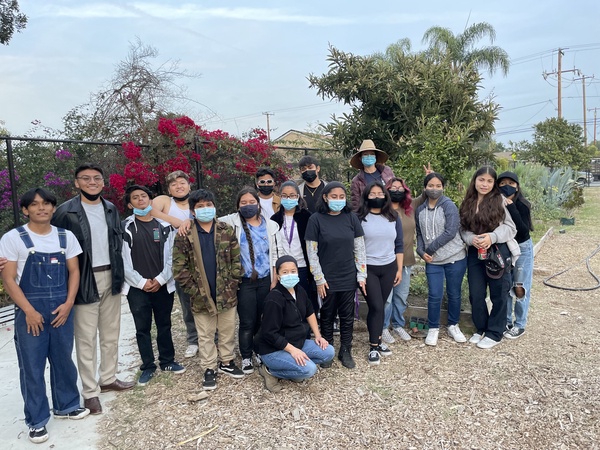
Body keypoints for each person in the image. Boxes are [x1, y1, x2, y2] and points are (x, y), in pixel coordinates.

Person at [0, 188, 89, 444]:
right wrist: (28, 311)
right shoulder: (13, 238)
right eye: (35, 205)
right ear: (26, 209)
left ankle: (68, 405)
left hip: (61, 307)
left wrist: (69, 303)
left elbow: (74, 272)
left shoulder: (65, 237)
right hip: (29, 310)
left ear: (53, 208)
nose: (42, 208)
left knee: (63, 358)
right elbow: (9, 279)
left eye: (47, 204)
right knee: (32, 366)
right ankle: (37, 421)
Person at [52, 163, 133, 416]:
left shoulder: (110, 209)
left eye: (97, 178)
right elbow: (54, 245)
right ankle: (90, 392)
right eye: (85, 178)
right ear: (76, 183)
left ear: (103, 182)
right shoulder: (66, 212)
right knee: (86, 339)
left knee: (111, 333)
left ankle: (108, 378)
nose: (92, 182)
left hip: (112, 275)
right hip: (84, 278)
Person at [172, 189, 245, 391]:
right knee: (205, 334)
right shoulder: (184, 234)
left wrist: (232, 285)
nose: (206, 209)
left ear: (214, 207)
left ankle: (227, 362)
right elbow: (179, 269)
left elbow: (236, 262)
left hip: (226, 293)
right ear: (193, 211)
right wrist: (195, 292)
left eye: (209, 205)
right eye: (200, 206)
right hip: (200, 296)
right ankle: (209, 368)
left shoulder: (226, 230)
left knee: (228, 329)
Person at [122, 185, 185, 387]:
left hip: (162, 285)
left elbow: (172, 258)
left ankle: (167, 361)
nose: (141, 200)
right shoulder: (126, 227)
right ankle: (148, 366)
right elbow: (124, 261)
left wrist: (159, 279)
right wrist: (141, 282)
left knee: (164, 325)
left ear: (150, 201)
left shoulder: (164, 226)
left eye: (144, 197)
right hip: (137, 289)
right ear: (130, 204)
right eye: (135, 198)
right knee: (143, 329)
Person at [305, 181, 367, 369]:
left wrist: (361, 275)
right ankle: (328, 348)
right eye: (334, 197)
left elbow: (360, 248)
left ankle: (346, 349)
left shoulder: (351, 218)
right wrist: (319, 278)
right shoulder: (315, 219)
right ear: (325, 197)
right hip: (326, 279)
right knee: (327, 314)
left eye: (341, 197)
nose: (338, 200)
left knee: (347, 316)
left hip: (348, 276)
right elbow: (311, 252)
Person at [219, 187, 278, 374]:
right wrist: (188, 221)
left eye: (252, 202)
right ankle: (245, 357)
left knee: (262, 319)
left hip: (265, 279)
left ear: (258, 204)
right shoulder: (231, 222)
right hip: (244, 282)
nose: (248, 206)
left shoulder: (269, 225)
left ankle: (259, 350)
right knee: (246, 321)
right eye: (243, 203)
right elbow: (208, 221)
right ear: (237, 206)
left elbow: (275, 253)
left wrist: (275, 276)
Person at [459, 166, 519, 349]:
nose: (484, 184)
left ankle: (495, 332)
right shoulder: (468, 201)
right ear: (475, 180)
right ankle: (481, 328)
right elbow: (462, 228)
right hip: (475, 253)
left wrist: (492, 237)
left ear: (494, 184)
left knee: (498, 293)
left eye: (489, 181)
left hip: (497, 251)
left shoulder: (499, 201)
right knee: (476, 294)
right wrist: (471, 239)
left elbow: (511, 227)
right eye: (481, 180)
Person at [256, 255, 334, 392]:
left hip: (296, 342)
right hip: (273, 350)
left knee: (328, 352)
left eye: (293, 271)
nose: (290, 275)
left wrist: (318, 336)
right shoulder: (274, 299)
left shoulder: (299, 290)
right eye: (285, 272)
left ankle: (292, 367)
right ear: (278, 276)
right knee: (309, 370)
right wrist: (293, 351)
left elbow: (310, 312)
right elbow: (269, 333)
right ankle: (269, 371)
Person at [150, 171, 199, 359]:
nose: (179, 186)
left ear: (189, 184)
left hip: (199, 256)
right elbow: (149, 209)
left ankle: (212, 338)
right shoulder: (165, 201)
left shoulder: (196, 201)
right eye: (174, 184)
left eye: (182, 182)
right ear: (168, 188)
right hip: (176, 259)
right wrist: (179, 222)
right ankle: (193, 339)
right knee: (186, 301)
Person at [415, 173, 468, 346]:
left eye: (438, 186)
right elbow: (420, 234)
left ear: (443, 187)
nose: (434, 189)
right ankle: (433, 328)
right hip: (433, 261)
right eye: (431, 185)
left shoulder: (449, 206)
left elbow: (450, 231)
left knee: (454, 293)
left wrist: (429, 249)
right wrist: (421, 251)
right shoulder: (420, 210)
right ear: (425, 188)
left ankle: (453, 325)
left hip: (455, 257)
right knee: (435, 294)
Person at [357, 182, 403, 364]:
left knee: (381, 305)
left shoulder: (393, 216)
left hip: (389, 267)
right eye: (372, 193)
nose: (377, 196)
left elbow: (399, 244)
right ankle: (373, 347)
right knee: (376, 306)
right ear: (366, 196)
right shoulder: (359, 217)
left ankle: (377, 340)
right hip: (369, 269)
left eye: (380, 193)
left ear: (385, 196)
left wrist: (399, 269)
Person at [271, 181, 317, 316]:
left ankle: (306, 332)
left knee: (304, 303)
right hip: (283, 268)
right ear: (280, 197)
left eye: (292, 195)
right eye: (284, 196)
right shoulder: (274, 219)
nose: (288, 199)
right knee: (284, 305)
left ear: (298, 196)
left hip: (302, 267)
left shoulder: (307, 217)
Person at [498, 171, 534, 339]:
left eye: (511, 184)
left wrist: (511, 206)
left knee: (519, 286)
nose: (507, 186)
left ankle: (520, 323)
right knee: (505, 285)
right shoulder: (496, 203)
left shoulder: (522, 204)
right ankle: (506, 321)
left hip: (522, 247)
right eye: (503, 183)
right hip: (505, 247)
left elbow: (522, 230)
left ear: (517, 186)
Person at [382, 177, 417, 343]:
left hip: (407, 261)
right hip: (387, 262)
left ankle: (397, 325)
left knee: (401, 296)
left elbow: (428, 194)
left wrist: (429, 176)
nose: (397, 190)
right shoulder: (381, 210)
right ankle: (383, 327)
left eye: (400, 188)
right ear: (387, 190)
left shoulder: (410, 208)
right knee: (386, 299)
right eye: (393, 187)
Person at [349, 139, 395, 211]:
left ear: (375, 157)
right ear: (360, 158)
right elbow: (356, 205)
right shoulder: (356, 181)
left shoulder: (387, 171)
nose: (369, 156)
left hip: (388, 213)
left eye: (372, 154)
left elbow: (394, 191)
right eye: (365, 154)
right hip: (368, 215)